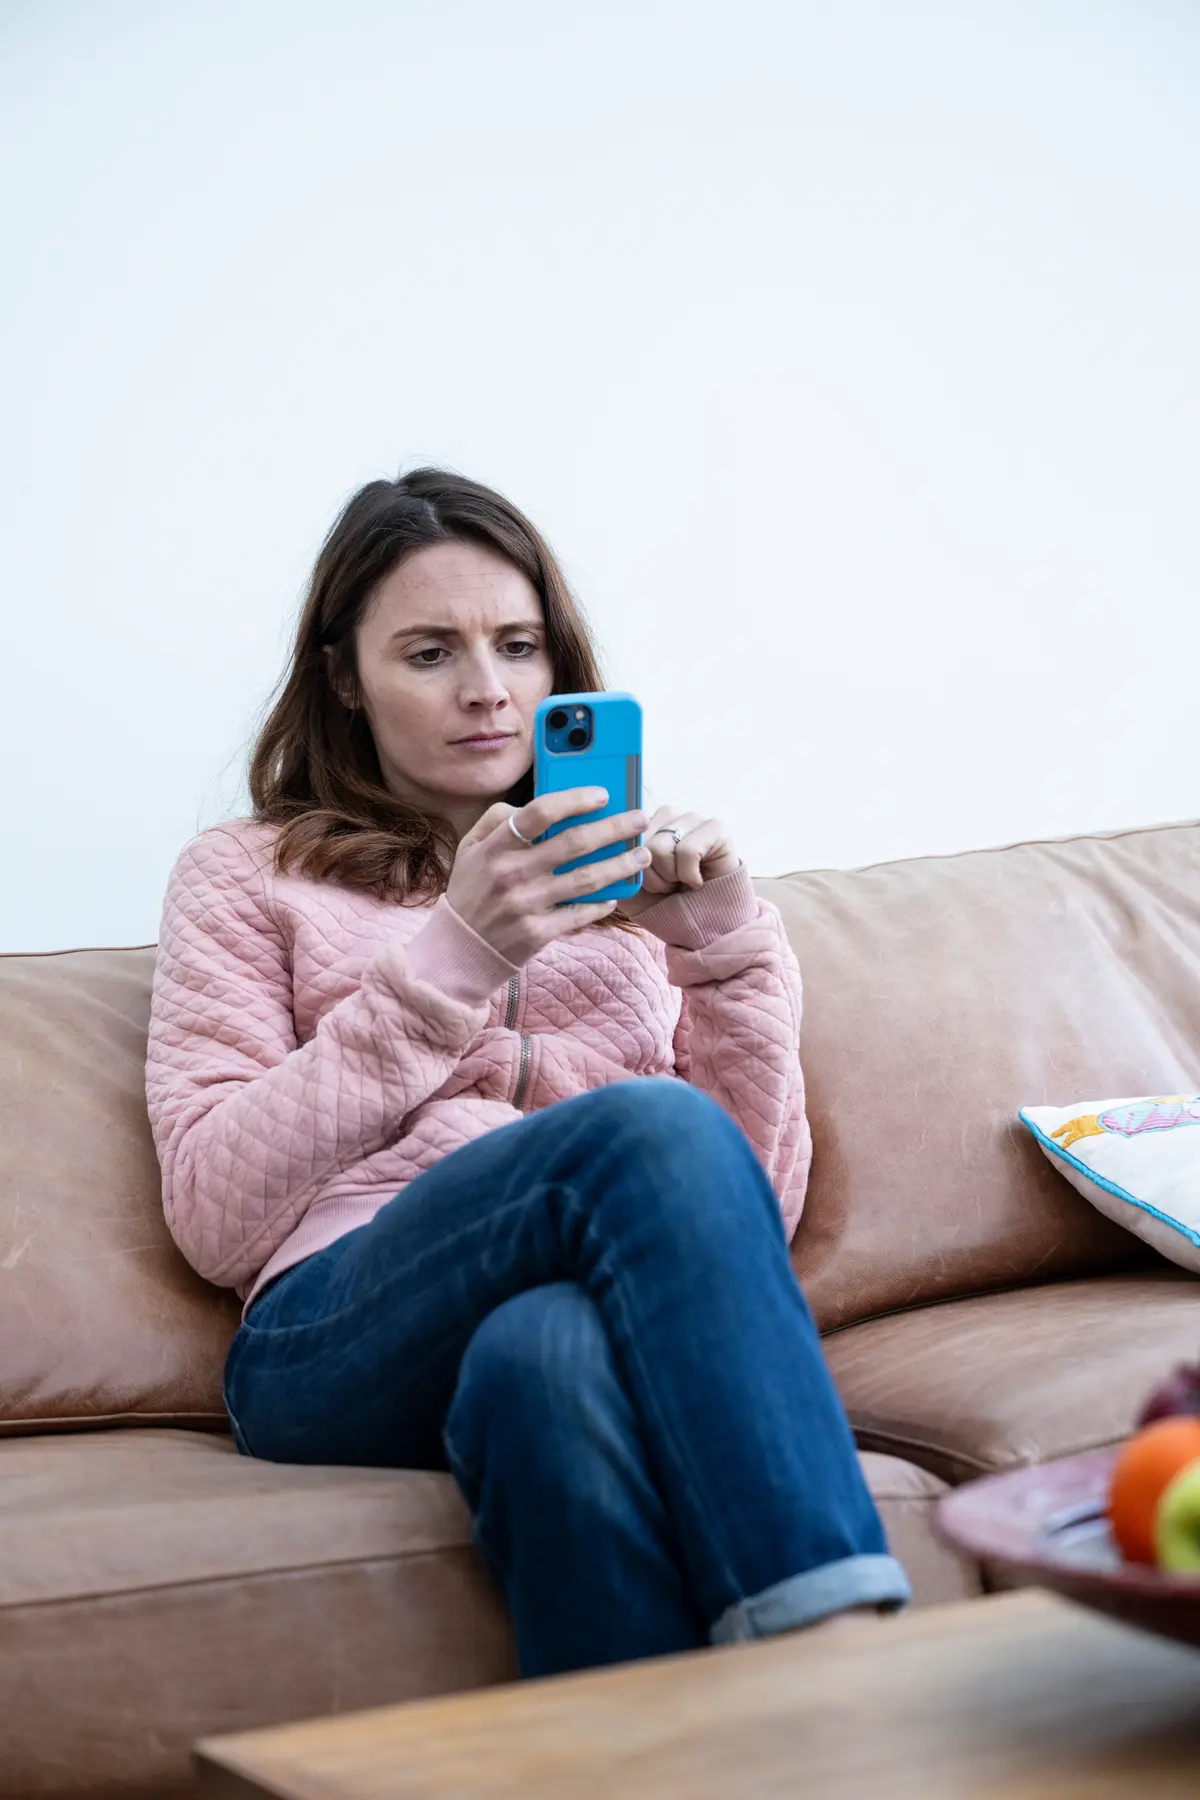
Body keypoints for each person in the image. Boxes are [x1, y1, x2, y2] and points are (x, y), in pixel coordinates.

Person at [146, 467, 910, 1677]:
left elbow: (742, 1216)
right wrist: (454, 957)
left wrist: (721, 953)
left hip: (548, 1314)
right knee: (645, 1129)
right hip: (328, 1334)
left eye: (518, 645)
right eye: (431, 652)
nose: (490, 691)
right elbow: (211, 1211)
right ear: (345, 678)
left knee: (542, 1362)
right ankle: (846, 1675)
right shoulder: (246, 874)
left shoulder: (628, 886)